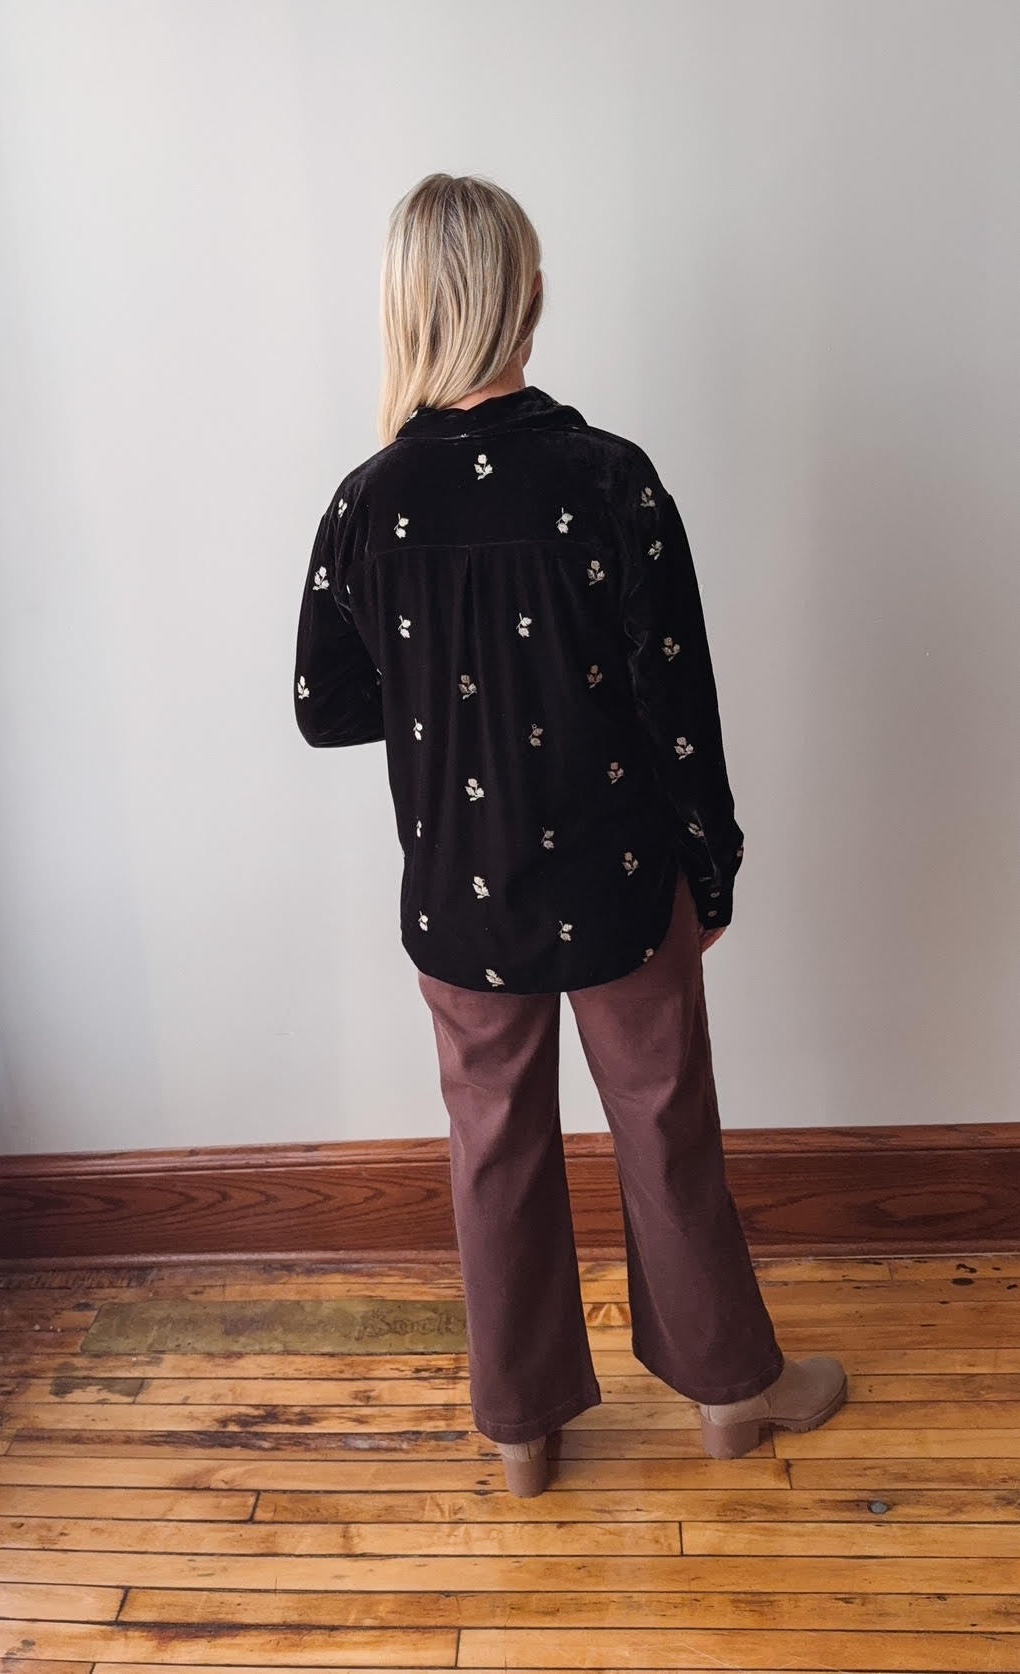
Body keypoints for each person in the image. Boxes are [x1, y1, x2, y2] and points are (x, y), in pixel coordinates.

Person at [294, 172, 846, 1498]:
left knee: (492, 1144)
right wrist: (706, 860)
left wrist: (454, 694)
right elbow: (676, 699)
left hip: (458, 893)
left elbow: (327, 706)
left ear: (408, 310)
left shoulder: (368, 506)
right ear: (526, 301)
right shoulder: (608, 481)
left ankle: (522, 1430)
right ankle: (730, 1394)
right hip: (615, 875)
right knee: (663, 1124)